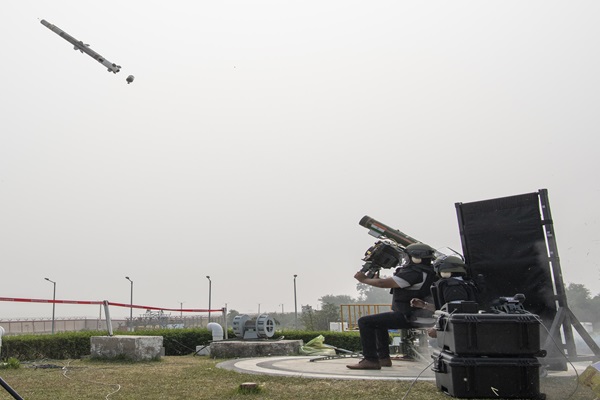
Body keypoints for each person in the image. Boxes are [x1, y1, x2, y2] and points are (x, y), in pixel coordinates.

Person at [346, 243, 438, 370]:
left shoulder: (414, 273)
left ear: (416, 258)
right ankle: (383, 358)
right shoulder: (430, 272)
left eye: (407, 257)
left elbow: (383, 283)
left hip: (412, 316)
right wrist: (374, 280)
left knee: (364, 322)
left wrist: (364, 280)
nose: (406, 260)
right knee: (379, 323)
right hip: (423, 316)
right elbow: (390, 282)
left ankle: (370, 360)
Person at [410, 255, 479, 338]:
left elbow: (456, 313)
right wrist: (424, 305)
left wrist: (437, 329)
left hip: (460, 333)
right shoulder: (462, 283)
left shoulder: (452, 286)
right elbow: (448, 308)